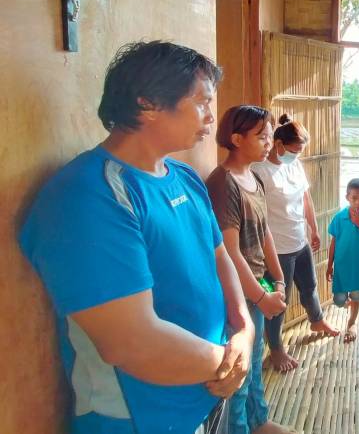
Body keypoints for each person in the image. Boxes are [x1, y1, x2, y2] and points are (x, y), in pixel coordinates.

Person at [19, 41, 254, 434]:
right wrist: (230, 361)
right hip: (138, 417)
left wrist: (243, 329)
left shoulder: (185, 178)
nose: (212, 117)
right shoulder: (86, 196)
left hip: (207, 393)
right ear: (148, 104)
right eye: (202, 102)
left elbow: (219, 259)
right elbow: (131, 342)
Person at [206, 105, 292, 434]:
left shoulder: (253, 176)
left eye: (269, 135)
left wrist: (279, 280)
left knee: (255, 361)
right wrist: (259, 297)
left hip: (258, 284)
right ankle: (240, 428)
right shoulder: (223, 182)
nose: (269, 142)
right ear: (236, 138)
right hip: (239, 292)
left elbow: (265, 232)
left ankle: (260, 421)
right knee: (240, 371)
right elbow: (229, 250)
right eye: (261, 136)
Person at [254, 114, 339, 372]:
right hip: (276, 248)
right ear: (277, 143)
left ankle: (316, 321)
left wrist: (313, 228)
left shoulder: (294, 165)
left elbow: (305, 198)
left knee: (310, 286)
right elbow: (256, 214)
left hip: (299, 239)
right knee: (278, 300)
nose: (296, 155)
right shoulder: (259, 171)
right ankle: (276, 349)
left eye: (300, 151)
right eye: (293, 150)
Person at [325, 178, 359, 343]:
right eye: (354, 198)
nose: (358, 202)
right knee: (339, 300)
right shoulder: (339, 217)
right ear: (347, 197)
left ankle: (351, 323)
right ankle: (348, 303)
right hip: (341, 266)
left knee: (356, 295)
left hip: (358, 266)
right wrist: (329, 265)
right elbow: (333, 243)